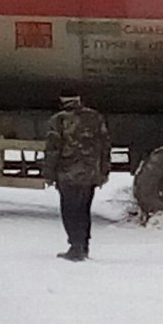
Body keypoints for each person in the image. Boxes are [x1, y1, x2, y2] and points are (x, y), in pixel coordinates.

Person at [42, 92, 111, 261]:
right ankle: (84, 245)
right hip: (90, 173)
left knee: (70, 210)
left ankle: (75, 247)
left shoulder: (59, 120)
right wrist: (104, 171)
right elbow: (105, 146)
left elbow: (53, 149)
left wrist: (49, 173)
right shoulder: (96, 117)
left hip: (68, 174)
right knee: (84, 210)